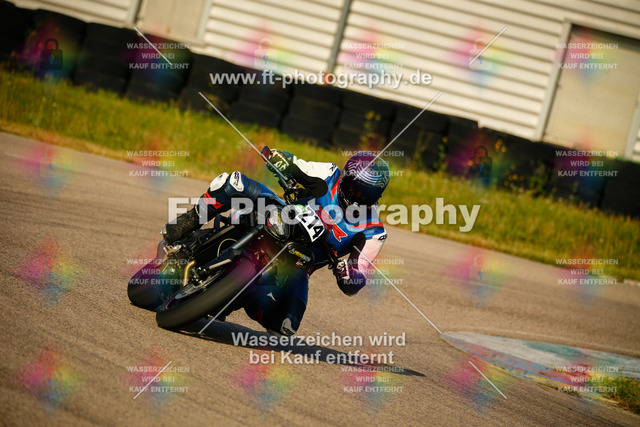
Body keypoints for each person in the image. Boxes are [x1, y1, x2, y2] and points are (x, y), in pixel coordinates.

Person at [161, 150, 390, 336]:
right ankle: (188, 222)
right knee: (235, 183)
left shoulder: (373, 231)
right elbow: (297, 165)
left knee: (285, 325)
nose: (357, 198)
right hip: (279, 215)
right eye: (353, 189)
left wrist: (350, 276)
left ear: (377, 196)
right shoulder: (329, 174)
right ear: (345, 179)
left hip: (298, 263)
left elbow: (359, 272)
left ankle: (247, 296)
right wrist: (280, 159)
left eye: (366, 196)